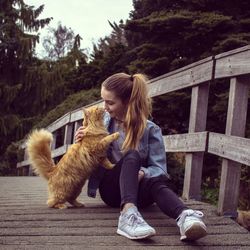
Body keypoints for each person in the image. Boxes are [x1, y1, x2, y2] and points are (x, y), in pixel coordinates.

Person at [75, 72, 207, 241]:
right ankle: (127, 215)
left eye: (110, 102)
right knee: (132, 154)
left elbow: (159, 169)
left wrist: (143, 173)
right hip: (111, 191)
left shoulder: (151, 129)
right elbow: (84, 160)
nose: (104, 107)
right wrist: (81, 143)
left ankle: (185, 217)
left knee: (155, 181)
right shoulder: (100, 123)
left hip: (141, 193)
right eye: (103, 100)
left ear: (127, 102)